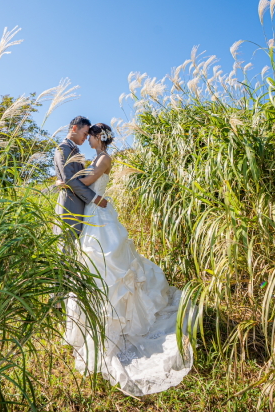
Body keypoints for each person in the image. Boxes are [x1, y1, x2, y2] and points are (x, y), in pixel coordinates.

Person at [57, 123, 194, 396]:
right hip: (91, 218)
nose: (88, 138)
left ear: (99, 138)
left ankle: (121, 324)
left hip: (101, 219)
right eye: (87, 134)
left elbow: (83, 183)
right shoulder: (92, 158)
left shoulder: (104, 158)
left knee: (112, 269)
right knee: (93, 267)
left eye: (91, 135)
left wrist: (65, 181)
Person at [53, 116, 108, 244]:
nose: (86, 138)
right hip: (69, 208)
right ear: (74, 128)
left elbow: (74, 179)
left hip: (80, 209)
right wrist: (95, 198)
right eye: (84, 134)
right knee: (66, 251)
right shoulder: (63, 148)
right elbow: (69, 179)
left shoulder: (74, 150)